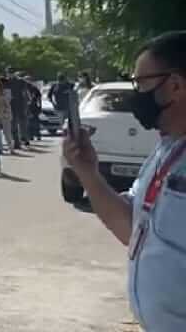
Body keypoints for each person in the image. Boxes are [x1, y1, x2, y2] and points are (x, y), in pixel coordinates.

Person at [63, 31, 186, 331]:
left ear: (175, 86)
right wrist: (88, 173)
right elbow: (131, 227)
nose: (136, 95)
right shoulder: (166, 149)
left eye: (141, 84)